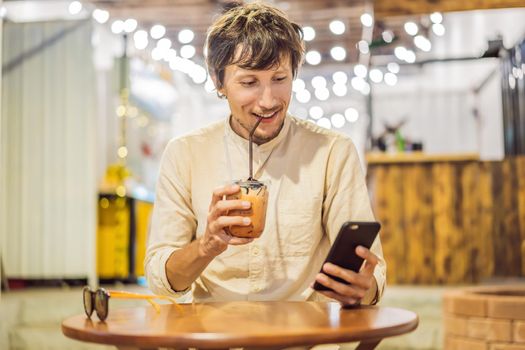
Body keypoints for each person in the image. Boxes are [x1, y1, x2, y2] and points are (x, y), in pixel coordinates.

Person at [145, 1, 386, 306]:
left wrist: (365, 287)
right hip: (218, 334)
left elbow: (372, 270)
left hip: (304, 335)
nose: (268, 101)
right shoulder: (185, 153)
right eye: (249, 82)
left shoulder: (332, 152)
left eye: (280, 79)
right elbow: (161, 280)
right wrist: (206, 246)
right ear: (218, 82)